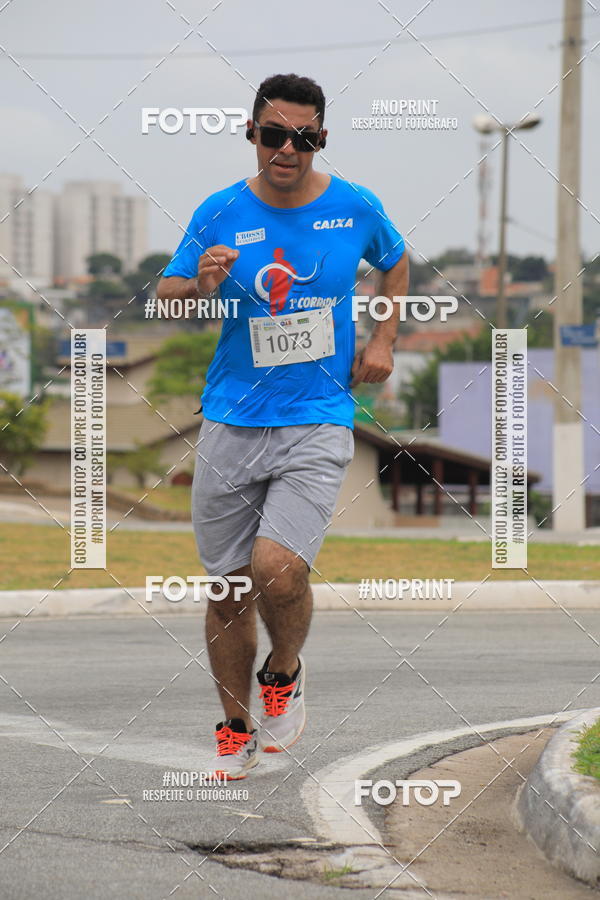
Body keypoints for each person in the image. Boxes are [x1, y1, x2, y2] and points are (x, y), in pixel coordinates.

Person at [157, 73, 409, 779]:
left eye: (302, 137)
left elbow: (396, 265)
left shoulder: (354, 207)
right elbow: (167, 296)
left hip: (317, 415)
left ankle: (286, 670)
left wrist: (384, 341)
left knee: (278, 571)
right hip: (232, 419)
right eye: (274, 135)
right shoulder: (219, 212)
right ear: (252, 135)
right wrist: (200, 286)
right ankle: (234, 734)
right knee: (230, 588)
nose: (287, 149)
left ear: (320, 139)